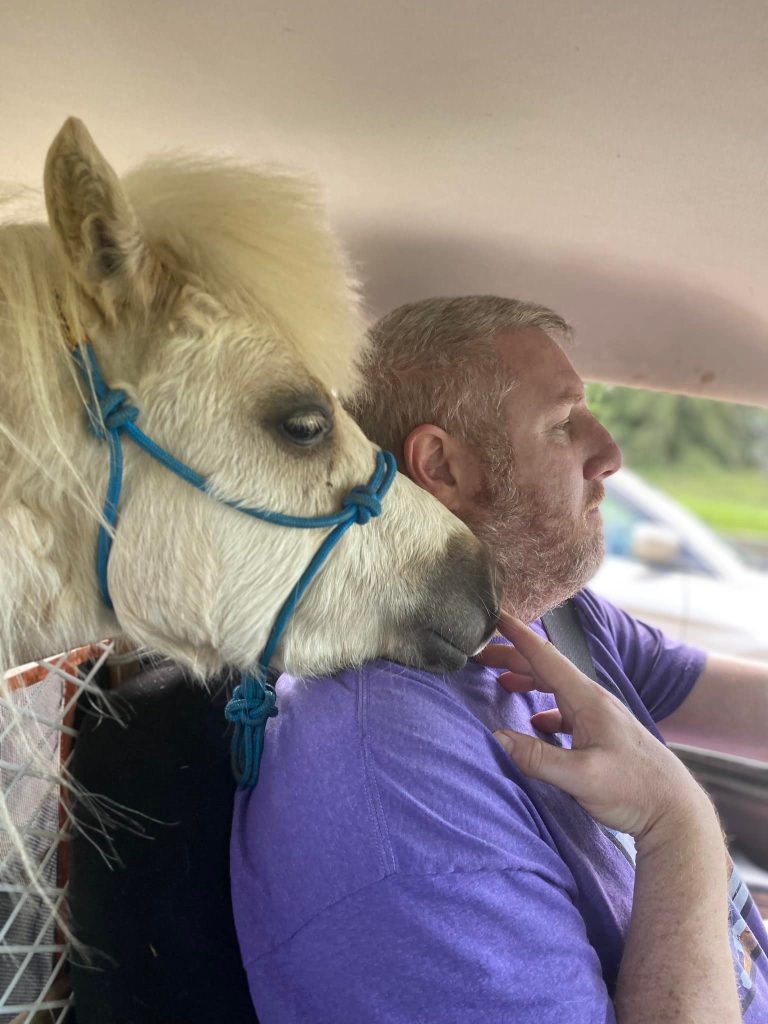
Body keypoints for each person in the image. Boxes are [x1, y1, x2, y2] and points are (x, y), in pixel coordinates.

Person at [230, 296, 768, 1022]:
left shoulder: (550, 620)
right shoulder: (400, 786)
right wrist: (680, 825)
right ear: (442, 467)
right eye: (563, 425)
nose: (610, 452)